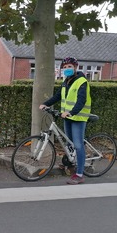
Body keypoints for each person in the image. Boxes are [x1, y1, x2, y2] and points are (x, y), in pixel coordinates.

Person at [40, 56, 91, 185]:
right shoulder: (66, 81)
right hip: (67, 117)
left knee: (78, 145)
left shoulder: (81, 81)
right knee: (69, 143)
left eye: (70, 67)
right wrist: (45, 103)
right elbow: (58, 96)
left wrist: (71, 112)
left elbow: (81, 100)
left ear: (75, 67)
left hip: (78, 117)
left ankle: (79, 174)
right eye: (65, 67)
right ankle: (70, 163)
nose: (67, 69)